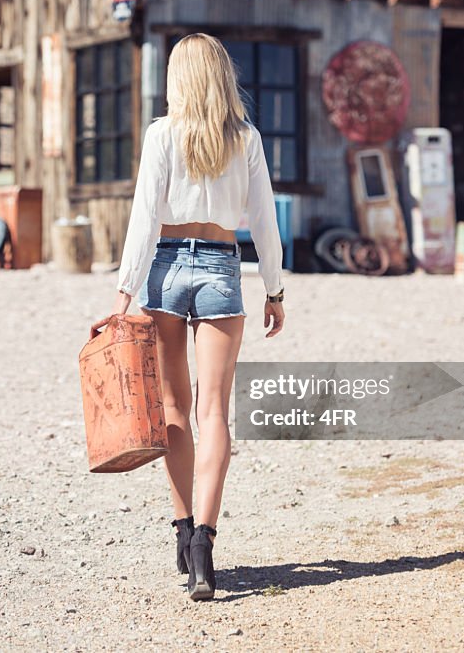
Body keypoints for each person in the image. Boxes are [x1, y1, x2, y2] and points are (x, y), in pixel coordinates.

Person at [95, 33, 286, 601]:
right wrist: (274, 289)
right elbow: (264, 220)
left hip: (165, 269)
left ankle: (181, 531)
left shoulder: (161, 134)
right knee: (216, 412)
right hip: (222, 268)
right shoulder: (245, 137)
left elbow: (144, 218)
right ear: (222, 77)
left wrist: (123, 292)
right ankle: (205, 539)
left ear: (179, 79)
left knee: (172, 407)